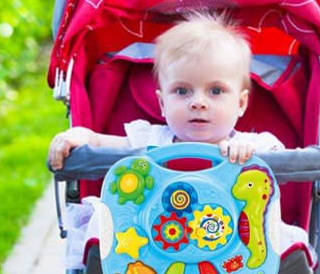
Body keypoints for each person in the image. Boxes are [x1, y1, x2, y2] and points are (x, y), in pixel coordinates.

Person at [48, 11, 284, 170]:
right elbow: (99, 143)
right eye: (182, 91)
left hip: (237, 232)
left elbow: (284, 161)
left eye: (215, 91)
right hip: (155, 231)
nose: (198, 102)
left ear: (240, 103)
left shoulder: (250, 145)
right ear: (162, 103)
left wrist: (250, 155)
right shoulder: (152, 141)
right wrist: (81, 135)